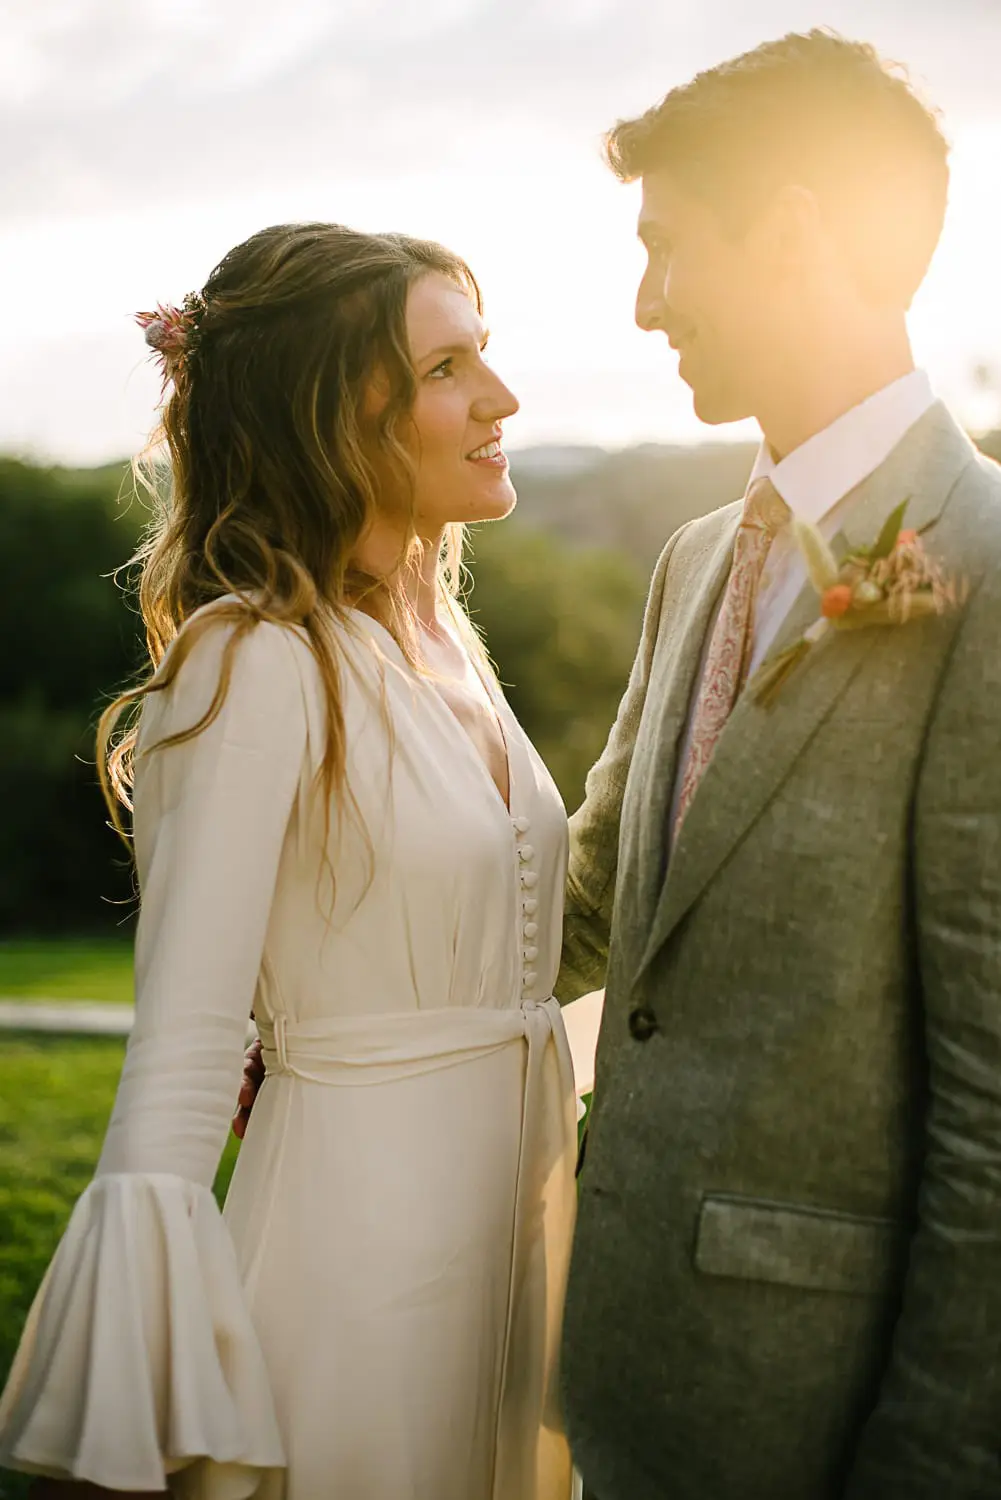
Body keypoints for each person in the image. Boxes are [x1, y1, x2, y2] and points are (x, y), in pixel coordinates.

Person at [0, 223, 586, 1500]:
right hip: (359, 1260)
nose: (500, 398)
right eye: (443, 369)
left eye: (480, 355)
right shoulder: (250, 657)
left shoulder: (448, 642)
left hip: (518, 1240)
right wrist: (123, 1405)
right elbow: (184, 1057)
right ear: (332, 417)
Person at [555, 29, 1001, 1500]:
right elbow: (601, 904)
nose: (642, 303)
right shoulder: (696, 559)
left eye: (667, 247)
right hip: (624, 1377)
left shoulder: (987, 568)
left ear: (800, 229)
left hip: (831, 1419)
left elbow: (990, 1095)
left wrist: (933, 1461)